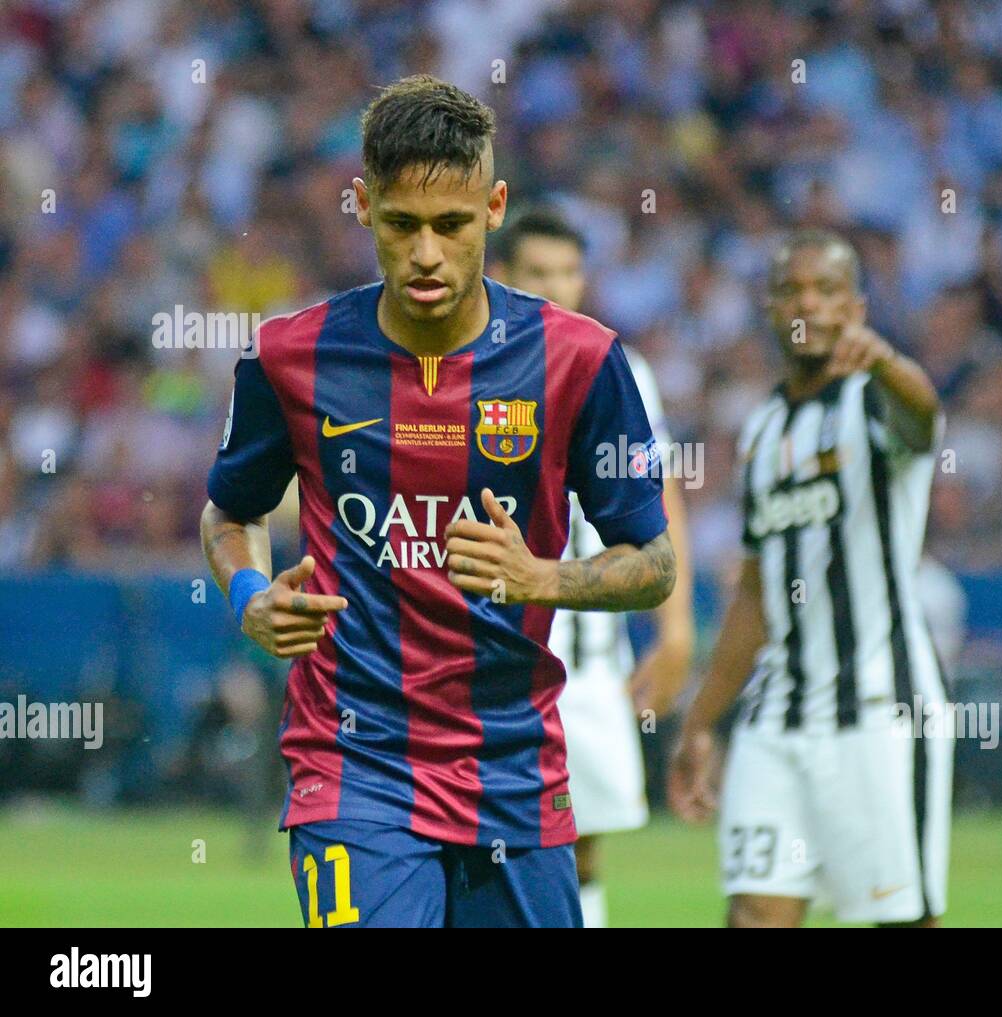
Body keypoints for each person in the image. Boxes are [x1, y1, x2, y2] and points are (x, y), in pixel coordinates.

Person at [199, 76, 676, 928]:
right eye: (400, 225)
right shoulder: (288, 356)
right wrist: (248, 595)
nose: (426, 254)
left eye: (451, 226)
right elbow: (228, 512)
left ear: (494, 207)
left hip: (512, 765)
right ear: (361, 204)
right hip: (352, 762)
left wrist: (545, 578)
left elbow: (656, 563)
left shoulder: (581, 361)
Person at [669, 229, 952, 927]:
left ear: (855, 306)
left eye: (827, 290)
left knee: (901, 918)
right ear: (770, 307)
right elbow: (757, 593)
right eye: (792, 290)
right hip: (778, 715)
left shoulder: (875, 401)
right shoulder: (762, 431)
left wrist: (885, 360)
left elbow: (923, 416)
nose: (810, 305)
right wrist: (701, 721)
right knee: (753, 915)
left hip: (880, 709)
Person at [491, 208, 695, 928]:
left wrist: (675, 635)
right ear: (503, 276)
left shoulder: (618, 365)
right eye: (538, 273)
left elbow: (659, 502)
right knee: (490, 845)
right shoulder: (473, 358)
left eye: (568, 272)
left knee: (583, 848)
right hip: (493, 648)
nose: (556, 286)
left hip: (590, 659)